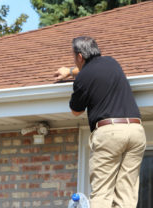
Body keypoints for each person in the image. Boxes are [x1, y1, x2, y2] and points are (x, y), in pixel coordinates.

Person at [55, 36, 146, 208]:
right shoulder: (112, 63)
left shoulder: (83, 79)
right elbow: (90, 69)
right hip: (136, 131)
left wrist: (74, 74)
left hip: (109, 132)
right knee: (127, 192)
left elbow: (76, 111)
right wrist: (70, 70)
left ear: (80, 56)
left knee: (102, 192)